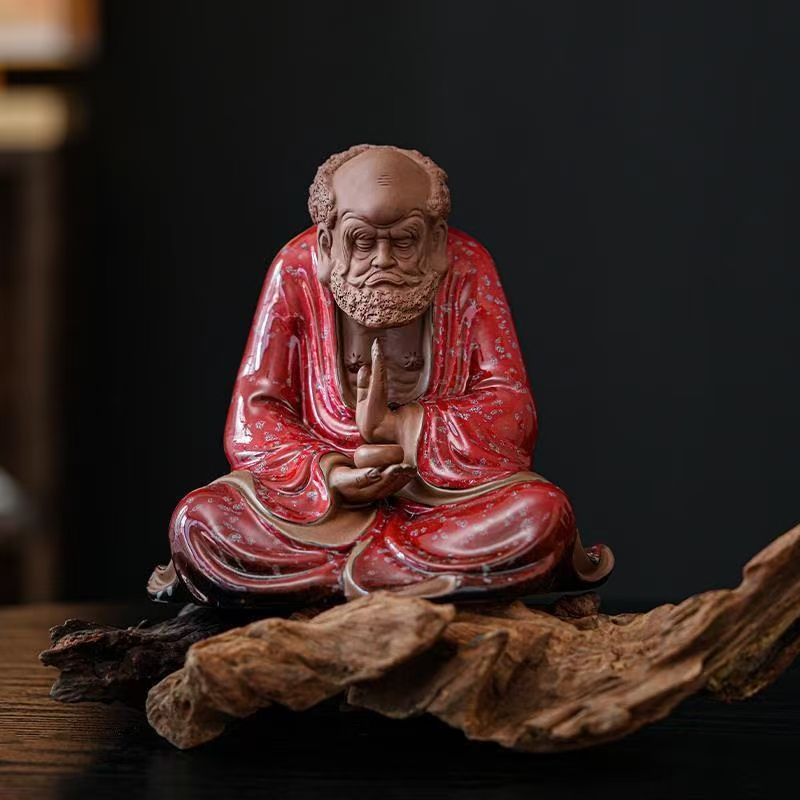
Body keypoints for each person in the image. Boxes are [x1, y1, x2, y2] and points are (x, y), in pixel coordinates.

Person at [148, 144, 613, 606]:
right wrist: (333, 475)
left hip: (440, 504)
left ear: (436, 240)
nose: (383, 260)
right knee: (201, 520)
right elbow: (255, 415)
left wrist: (401, 427)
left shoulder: (468, 266)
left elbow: (511, 408)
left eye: (404, 241)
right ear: (327, 243)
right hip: (323, 509)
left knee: (543, 513)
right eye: (364, 242)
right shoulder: (295, 269)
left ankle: (335, 584)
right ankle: (410, 581)